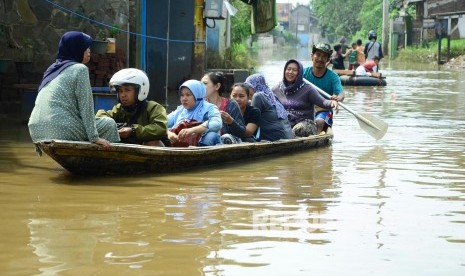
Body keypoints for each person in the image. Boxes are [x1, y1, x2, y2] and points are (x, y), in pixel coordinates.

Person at [28, 31, 119, 148]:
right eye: (85, 48)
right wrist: (94, 137)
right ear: (76, 49)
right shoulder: (80, 69)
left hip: (35, 129)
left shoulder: (52, 69)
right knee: (109, 124)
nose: (89, 51)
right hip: (59, 127)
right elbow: (86, 107)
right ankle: (107, 162)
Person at [96, 68, 168, 146]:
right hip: (129, 153)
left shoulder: (153, 108)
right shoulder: (119, 109)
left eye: (127, 90)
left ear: (139, 91)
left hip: (153, 153)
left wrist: (133, 130)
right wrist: (114, 126)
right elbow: (101, 117)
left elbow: (161, 128)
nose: (123, 95)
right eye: (120, 91)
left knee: (153, 143)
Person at [272, 59, 338, 137]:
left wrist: (332, 102)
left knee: (298, 129)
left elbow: (323, 102)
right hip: (285, 124)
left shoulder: (308, 89)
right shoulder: (276, 89)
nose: (290, 72)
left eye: (294, 70)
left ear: (299, 73)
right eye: (288, 69)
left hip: (305, 125)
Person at [303, 43, 345, 134]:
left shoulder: (333, 77)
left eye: (324, 56)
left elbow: (341, 93)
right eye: (318, 55)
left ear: (328, 59)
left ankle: (317, 139)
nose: (320, 59)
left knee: (319, 122)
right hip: (306, 110)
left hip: (324, 110)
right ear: (312, 56)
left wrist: (338, 98)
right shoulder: (303, 73)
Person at [167, 80, 221, 146]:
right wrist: (169, 133)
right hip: (183, 144)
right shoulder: (180, 110)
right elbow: (162, 123)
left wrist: (192, 130)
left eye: (188, 95)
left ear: (197, 95)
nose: (184, 98)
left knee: (211, 136)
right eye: (182, 95)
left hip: (202, 143)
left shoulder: (210, 108)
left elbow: (217, 124)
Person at [244, 73, 294, 141]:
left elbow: (252, 123)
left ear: (254, 86)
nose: (246, 90)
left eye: (248, 86)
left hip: (278, 139)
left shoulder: (258, 96)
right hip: (289, 136)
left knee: (246, 137)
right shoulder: (271, 95)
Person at [201, 72, 245, 144]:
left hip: (227, 142)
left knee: (222, 137)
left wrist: (231, 122)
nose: (201, 87)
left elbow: (242, 133)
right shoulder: (199, 105)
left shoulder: (231, 105)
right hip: (205, 141)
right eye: (200, 84)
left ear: (217, 86)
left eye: (205, 84)